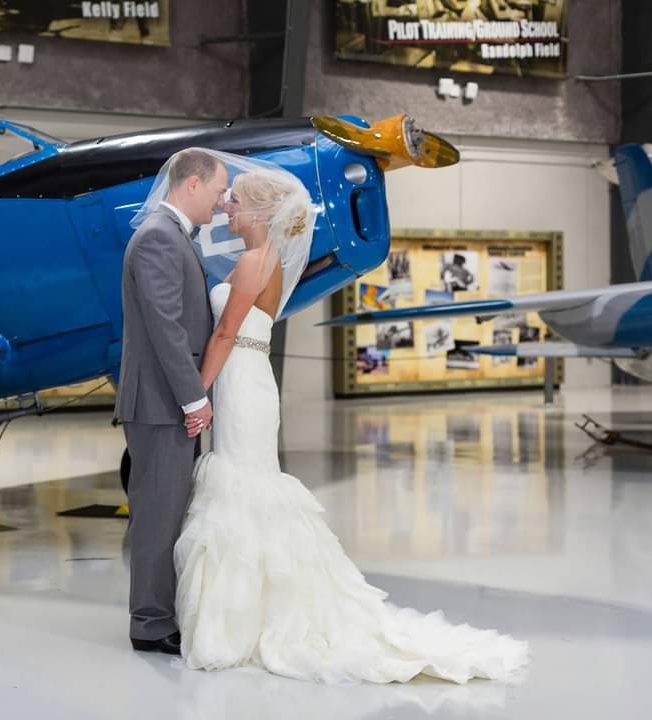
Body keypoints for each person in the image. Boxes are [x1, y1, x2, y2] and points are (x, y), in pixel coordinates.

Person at [172, 166, 530, 683]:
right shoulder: (262, 260)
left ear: (257, 212)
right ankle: (248, 613)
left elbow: (226, 335)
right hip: (245, 380)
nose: (227, 206)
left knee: (243, 487)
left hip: (240, 381)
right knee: (246, 487)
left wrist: (196, 394)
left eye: (235, 201)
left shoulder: (255, 261)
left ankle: (244, 622)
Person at [113, 148, 228, 656]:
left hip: (165, 403)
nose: (222, 202)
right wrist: (192, 399)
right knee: (158, 516)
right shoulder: (159, 237)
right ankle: (151, 624)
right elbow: (166, 329)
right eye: (219, 190)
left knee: (168, 512)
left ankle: (160, 613)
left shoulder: (170, 235)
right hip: (161, 404)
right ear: (193, 184)